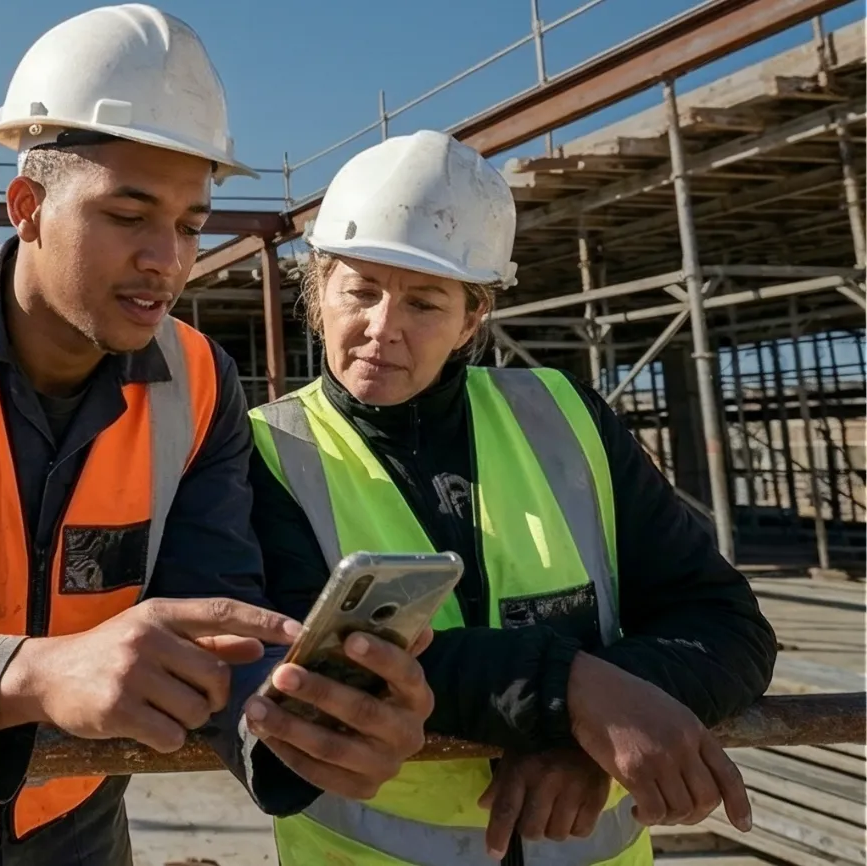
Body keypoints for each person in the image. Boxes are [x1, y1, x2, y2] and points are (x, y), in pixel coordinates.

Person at [0, 6, 435, 865]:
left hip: (81, 831)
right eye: (127, 214)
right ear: (27, 206)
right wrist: (33, 674)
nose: (168, 261)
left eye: (188, 223)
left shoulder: (201, 380)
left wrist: (296, 716)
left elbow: (214, 615)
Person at [246, 129, 779, 865]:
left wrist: (592, 734)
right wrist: (573, 693)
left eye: (425, 303)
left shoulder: (563, 417)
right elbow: (316, 666)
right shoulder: (268, 451)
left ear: (472, 319)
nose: (382, 329)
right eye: (360, 291)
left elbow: (725, 622)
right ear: (318, 294)